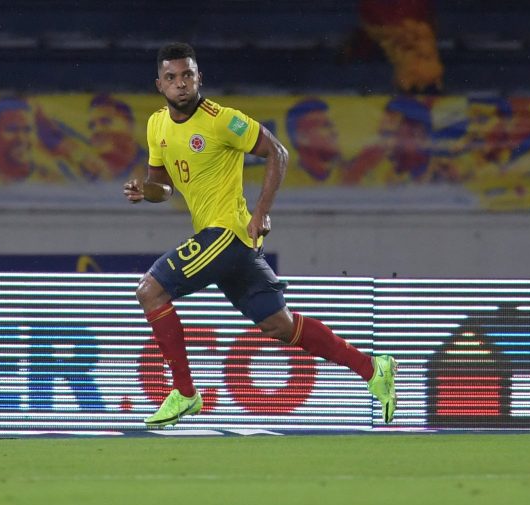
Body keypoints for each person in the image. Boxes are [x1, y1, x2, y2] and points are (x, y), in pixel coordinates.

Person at [123, 42, 397, 428]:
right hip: (225, 243)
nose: (180, 83)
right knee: (278, 326)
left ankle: (185, 393)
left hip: (228, 233)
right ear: (159, 84)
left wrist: (261, 212)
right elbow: (162, 186)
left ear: (199, 77)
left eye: (187, 75)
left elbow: (278, 153)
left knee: (150, 290)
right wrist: (144, 192)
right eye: (171, 77)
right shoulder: (156, 125)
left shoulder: (223, 120)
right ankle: (372, 368)